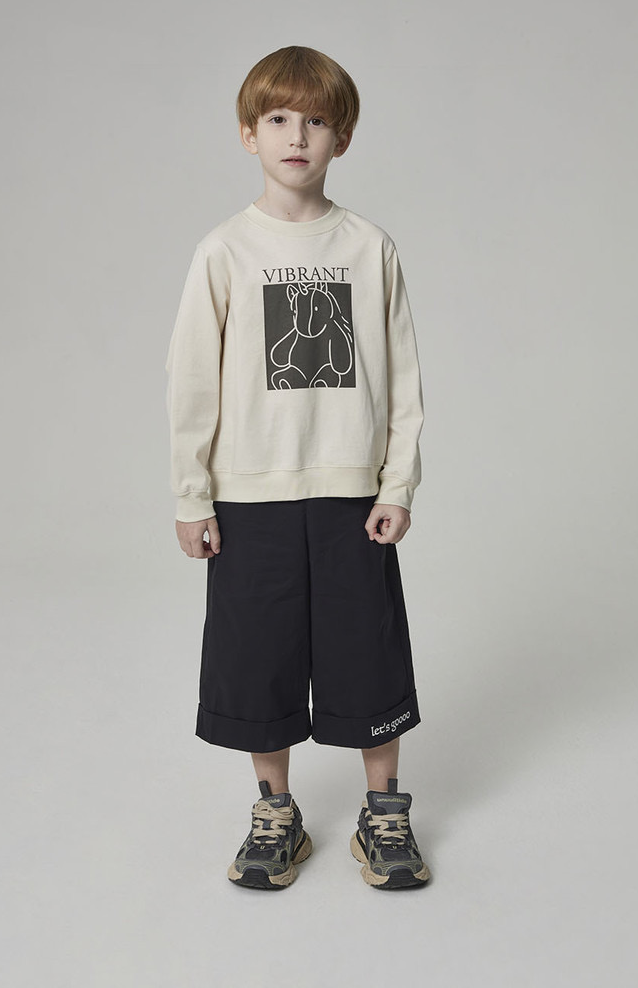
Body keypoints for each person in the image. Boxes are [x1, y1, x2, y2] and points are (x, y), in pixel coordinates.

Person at [165, 45, 429, 890]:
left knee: (367, 653)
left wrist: (396, 483)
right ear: (248, 133)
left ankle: (383, 811)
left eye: (316, 120)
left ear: (340, 139)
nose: (296, 135)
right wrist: (192, 495)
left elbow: (403, 377)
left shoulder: (368, 247)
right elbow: (191, 381)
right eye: (278, 118)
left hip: (350, 494)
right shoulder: (223, 250)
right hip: (251, 496)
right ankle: (275, 812)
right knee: (259, 656)